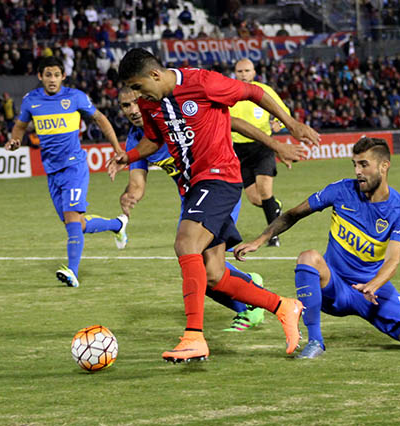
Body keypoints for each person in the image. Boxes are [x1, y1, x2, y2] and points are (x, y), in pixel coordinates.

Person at [112, 48, 320, 362]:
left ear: (154, 75)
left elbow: (252, 92)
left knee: (186, 244)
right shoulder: (149, 104)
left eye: (138, 87)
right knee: (214, 275)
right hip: (193, 186)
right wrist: (127, 157)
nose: (137, 96)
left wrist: (290, 126)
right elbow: (154, 140)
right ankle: (283, 306)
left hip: (220, 177)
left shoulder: (203, 83)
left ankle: (194, 336)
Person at [235, 137, 400, 358]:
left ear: (384, 166)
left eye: (364, 164)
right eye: (355, 164)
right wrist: (259, 240)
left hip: (372, 290)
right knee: (308, 257)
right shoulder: (341, 190)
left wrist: (372, 286)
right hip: (333, 286)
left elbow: (393, 260)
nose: (357, 171)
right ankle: (315, 342)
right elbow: (293, 214)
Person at [4, 56, 126, 288]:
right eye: (47, 75)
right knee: (76, 224)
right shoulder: (31, 101)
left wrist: (118, 149)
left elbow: (100, 119)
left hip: (74, 166)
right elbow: (20, 126)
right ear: (40, 76)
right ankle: (117, 225)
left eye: (56, 75)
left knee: (71, 220)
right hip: (52, 170)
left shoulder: (75, 97)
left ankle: (72, 271)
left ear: (63, 77)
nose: (52, 79)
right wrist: (15, 140)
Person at [230, 58, 292, 247]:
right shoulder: (229, 91)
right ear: (235, 73)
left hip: (263, 146)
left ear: (254, 72)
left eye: (247, 71)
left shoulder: (263, 91)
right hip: (239, 150)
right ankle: (275, 207)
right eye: (240, 71)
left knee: (265, 190)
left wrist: (278, 124)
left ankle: (272, 236)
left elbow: (284, 111)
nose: (243, 74)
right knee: (256, 198)